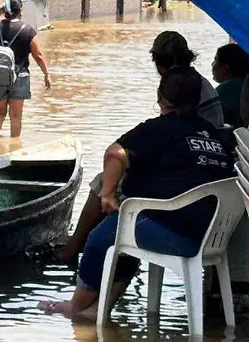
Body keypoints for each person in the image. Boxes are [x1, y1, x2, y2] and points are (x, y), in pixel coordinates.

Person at [41, 67, 233, 320]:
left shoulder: (159, 129)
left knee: (103, 236)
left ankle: (76, 306)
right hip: (212, 237)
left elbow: (115, 154)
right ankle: (99, 309)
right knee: (129, 235)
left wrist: (108, 194)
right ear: (197, 99)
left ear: (160, 96)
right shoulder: (215, 135)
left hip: (175, 234)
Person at [58, 30, 223, 265]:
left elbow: (131, 149)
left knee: (102, 183)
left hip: (183, 185)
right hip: (198, 181)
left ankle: (75, 250)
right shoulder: (195, 83)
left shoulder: (182, 87)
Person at [0, 0, 52, 138]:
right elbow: (39, 56)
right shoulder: (28, 31)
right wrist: (46, 74)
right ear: (20, 11)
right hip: (20, 76)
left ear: (4, 10)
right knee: (16, 116)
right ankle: (14, 148)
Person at [212, 43, 249, 130]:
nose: (212, 64)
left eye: (215, 60)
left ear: (225, 68)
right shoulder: (245, 83)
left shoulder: (223, 91)